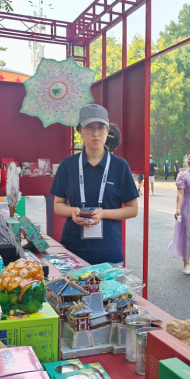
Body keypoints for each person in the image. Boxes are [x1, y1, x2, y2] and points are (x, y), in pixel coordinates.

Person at [51, 104, 139, 264]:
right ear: (80, 130)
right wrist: (73, 211)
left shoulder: (120, 166)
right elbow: (58, 205)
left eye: (101, 127)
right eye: (90, 127)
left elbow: (132, 209)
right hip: (72, 252)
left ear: (107, 130)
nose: (96, 133)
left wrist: (103, 213)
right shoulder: (68, 165)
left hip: (109, 253)